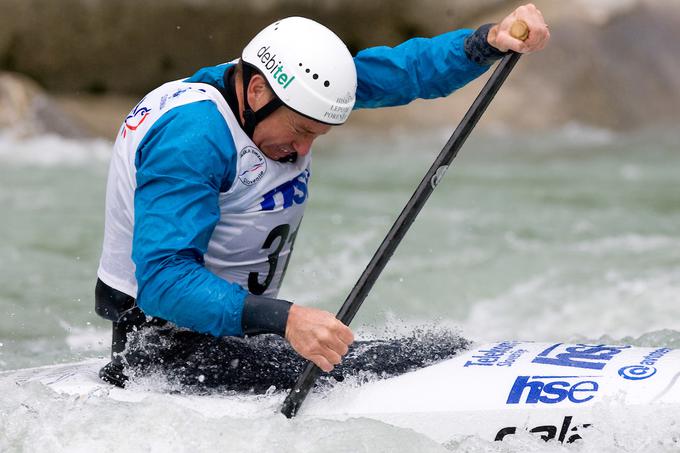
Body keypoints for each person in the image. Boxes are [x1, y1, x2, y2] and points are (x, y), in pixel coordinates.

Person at [95, 5, 549, 389]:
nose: (305, 151)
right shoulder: (192, 140)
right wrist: (287, 319)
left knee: (432, 346)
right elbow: (163, 282)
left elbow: (403, 72)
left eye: (320, 134)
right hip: (161, 354)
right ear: (257, 92)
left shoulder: (279, 89)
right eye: (302, 131)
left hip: (235, 333)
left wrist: (487, 42)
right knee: (407, 360)